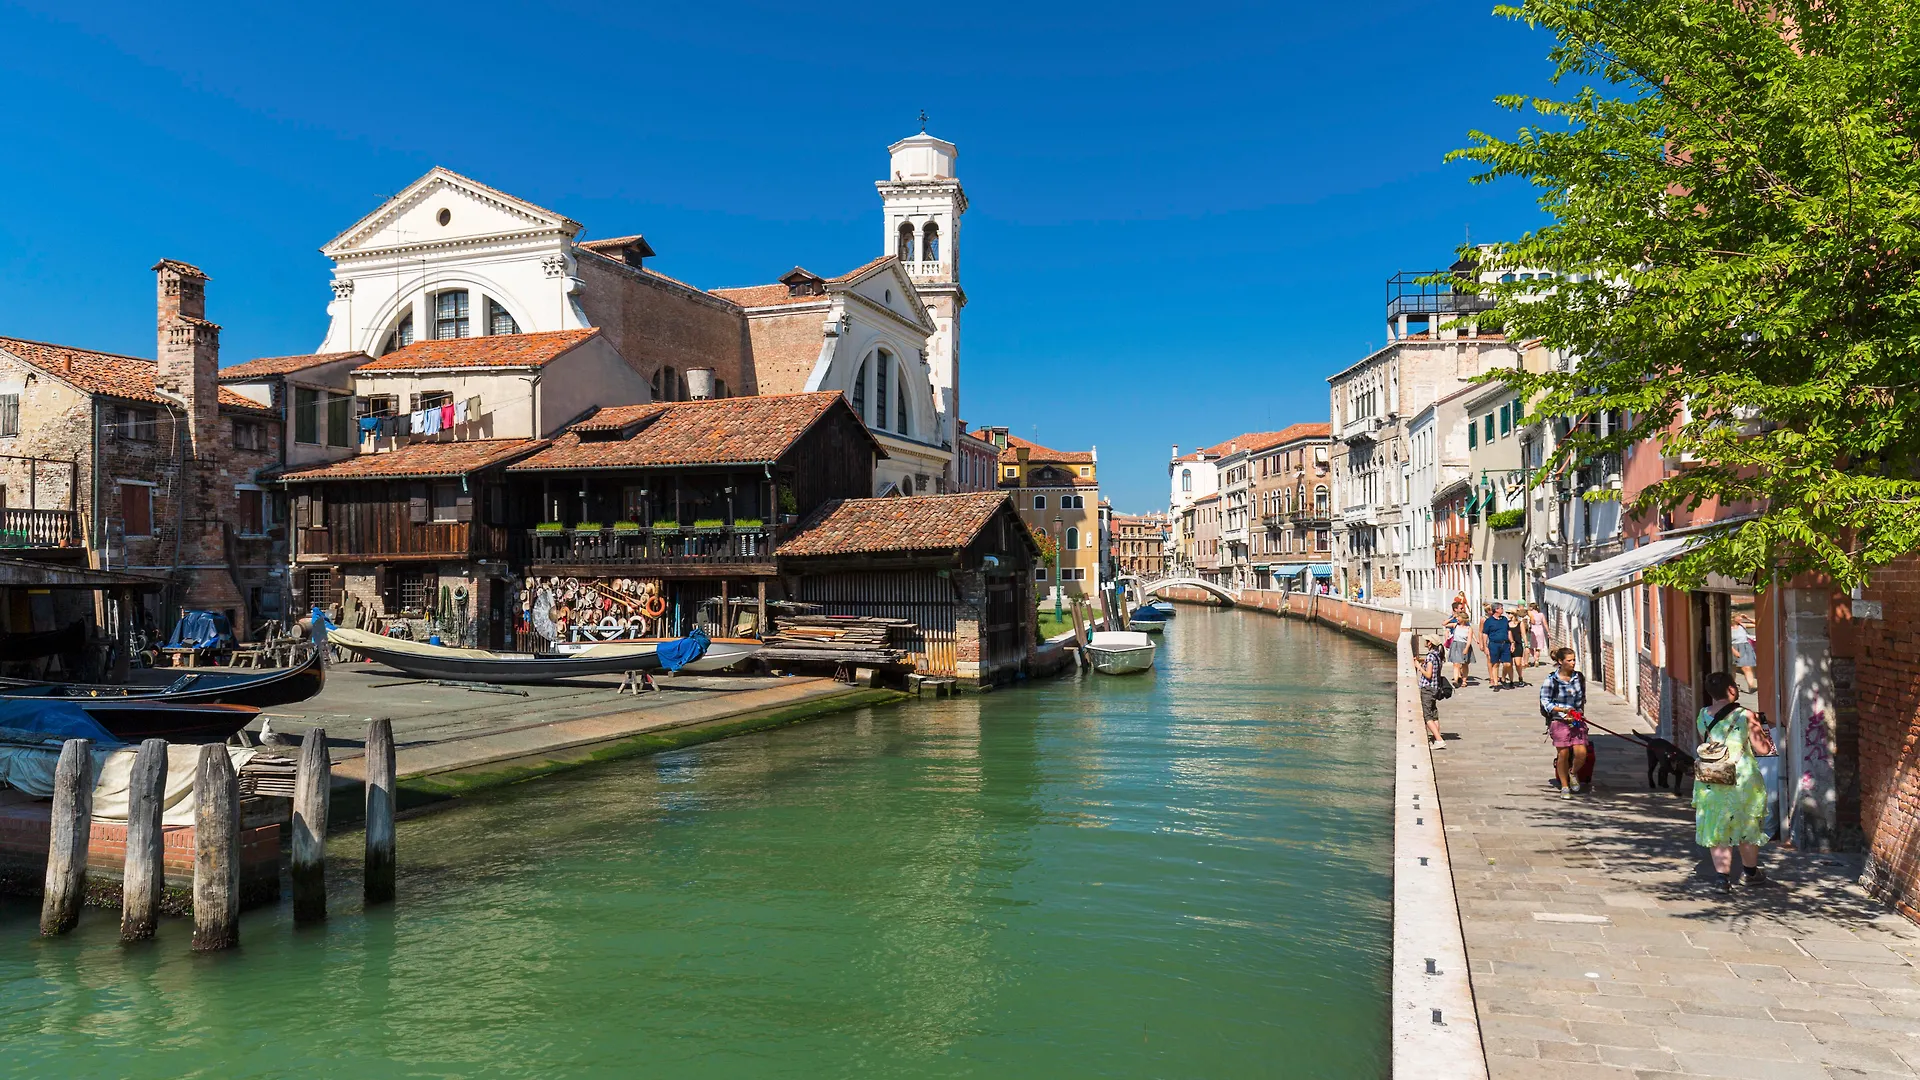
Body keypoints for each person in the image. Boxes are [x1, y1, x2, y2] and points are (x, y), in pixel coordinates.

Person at [1694, 670, 1772, 892]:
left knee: (1717, 825)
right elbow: (1763, 749)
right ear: (1731, 689)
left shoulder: (1703, 715)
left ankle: (1722, 879)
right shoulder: (1746, 715)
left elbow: (1709, 744)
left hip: (1711, 778)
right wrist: (1763, 731)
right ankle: (1750, 873)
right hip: (1741, 778)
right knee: (1746, 823)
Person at [1539, 646, 1590, 799]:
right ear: (1560, 661)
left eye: (1574, 659)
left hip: (1576, 720)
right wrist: (1562, 711)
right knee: (1564, 753)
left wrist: (1577, 713)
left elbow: (1580, 700)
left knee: (1581, 753)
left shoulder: (1578, 678)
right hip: (1558, 720)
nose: (1573, 663)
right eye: (1569, 660)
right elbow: (1545, 702)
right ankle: (1565, 786)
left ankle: (1573, 773)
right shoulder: (1551, 680)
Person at [1417, 635, 1445, 749]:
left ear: (1430, 643)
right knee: (1434, 714)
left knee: (1427, 715)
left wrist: (1419, 666)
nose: (1425, 642)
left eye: (1427, 640)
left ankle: (1439, 739)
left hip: (1428, 689)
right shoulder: (1438, 656)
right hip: (1435, 688)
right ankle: (1435, 738)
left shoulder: (1430, 657)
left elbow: (1428, 674)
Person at [1482, 603, 1516, 689]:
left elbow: (1509, 631)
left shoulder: (1504, 619)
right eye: (1501, 608)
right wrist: (1485, 646)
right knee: (1495, 664)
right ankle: (1496, 684)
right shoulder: (1489, 621)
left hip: (1505, 644)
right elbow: (1485, 634)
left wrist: (1512, 642)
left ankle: (1503, 678)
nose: (1502, 610)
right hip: (1494, 644)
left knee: (1507, 664)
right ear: (1496, 610)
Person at [1730, 614, 1759, 694]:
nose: (1740, 618)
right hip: (1734, 648)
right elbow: (1727, 641)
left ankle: (1751, 686)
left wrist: (1748, 618)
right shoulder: (1729, 628)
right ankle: (1732, 686)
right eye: (1738, 617)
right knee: (1733, 668)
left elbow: (1757, 623)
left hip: (1745, 647)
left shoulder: (1742, 625)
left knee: (1747, 667)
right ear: (1733, 618)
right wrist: (1734, 651)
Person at [1446, 612, 1474, 685]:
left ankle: (1464, 680)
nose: (1457, 619)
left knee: (1464, 664)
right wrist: (1452, 618)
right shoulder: (1455, 625)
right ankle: (1456, 680)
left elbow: (1469, 639)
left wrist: (1466, 648)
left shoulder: (1469, 628)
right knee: (1456, 663)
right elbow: (1444, 624)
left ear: (1463, 619)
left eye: (1459, 617)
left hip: (1464, 645)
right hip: (1455, 645)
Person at [1527, 604, 1549, 668]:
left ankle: (1535, 659)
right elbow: (1545, 623)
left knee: (1530, 647)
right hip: (1540, 629)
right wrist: (1548, 632)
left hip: (1533, 630)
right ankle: (1537, 660)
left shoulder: (1530, 614)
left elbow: (1531, 622)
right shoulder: (1541, 614)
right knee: (1538, 648)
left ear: (1531, 607)